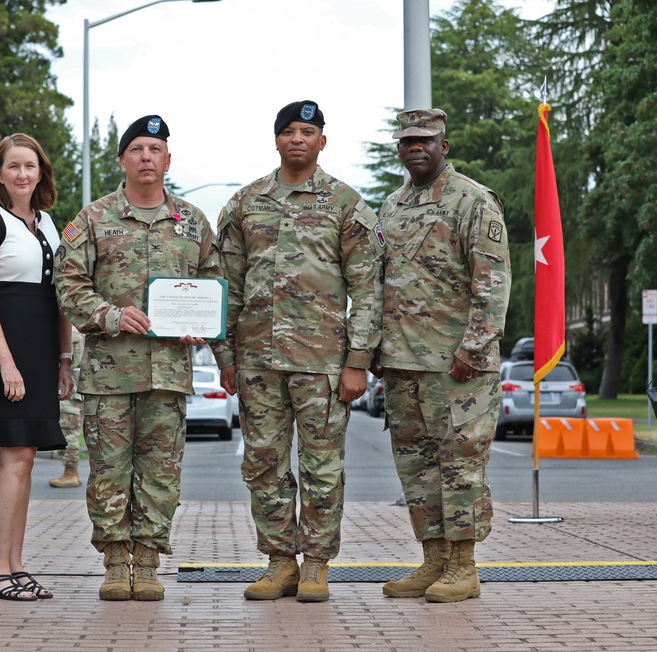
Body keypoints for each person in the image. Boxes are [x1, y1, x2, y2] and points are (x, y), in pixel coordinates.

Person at [213, 100, 383, 603]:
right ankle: (279, 562)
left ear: (322, 141)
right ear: (276, 140)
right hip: (258, 363)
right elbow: (228, 288)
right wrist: (226, 358)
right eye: (288, 131)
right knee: (264, 464)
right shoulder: (246, 203)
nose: (297, 139)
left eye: (307, 131)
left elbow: (368, 287)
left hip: (322, 365)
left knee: (321, 466)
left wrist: (357, 362)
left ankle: (316, 565)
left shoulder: (345, 204)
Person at [54, 114, 220, 602]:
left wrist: (204, 328)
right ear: (122, 159)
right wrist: (109, 315)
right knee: (108, 469)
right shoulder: (93, 218)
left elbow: (214, 287)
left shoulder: (192, 221)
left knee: (162, 472)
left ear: (168, 159)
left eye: (155, 149)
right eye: (137, 150)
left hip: (168, 373)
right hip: (110, 373)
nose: (146, 157)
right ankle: (114, 561)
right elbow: (68, 284)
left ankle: (147, 561)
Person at [373, 108, 511, 603]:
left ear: (443, 146)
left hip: (457, 366)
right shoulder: (390, 206)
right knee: (416, 467)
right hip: (403, 363)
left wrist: (473, 348)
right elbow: (378, 282)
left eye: (425, 140)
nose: (416, 147)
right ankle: (433, 559)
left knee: (460, 465)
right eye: (407, 141)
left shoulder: (472, 199)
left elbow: (492, 282)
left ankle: (463, 566)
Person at [0, 133, 73, 601]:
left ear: (41, 171)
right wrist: (7, 362)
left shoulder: (49, 224)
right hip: (4, 348)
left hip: (43, 349)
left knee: (26, 459)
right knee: (14, 457)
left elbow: (62, 296)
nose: (23, 174)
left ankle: (16, 566)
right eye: (13, 166)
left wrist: (64, 359)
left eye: (31, 166)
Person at [49, 325, 85, 488]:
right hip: (76, 384)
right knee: (70, 426)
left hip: (70, 385)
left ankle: (70, 472)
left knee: (68, 428)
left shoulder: (72, 336)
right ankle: (72, 472)